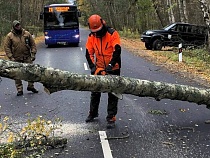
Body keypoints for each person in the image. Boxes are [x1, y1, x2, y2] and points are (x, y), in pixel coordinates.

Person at [85, 14, 121, 128]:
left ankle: (111, 116)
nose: (97, 33)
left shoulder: (112, 33)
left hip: (113, 67)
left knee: (113, 93)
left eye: (98, 30)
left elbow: (117, 50)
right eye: (94, 31)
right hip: (99, 67)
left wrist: (111, 64)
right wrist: (92, 67)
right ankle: (93, 113)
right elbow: (88, 52)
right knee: (95, 91)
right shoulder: (92, 36)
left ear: (103, 25)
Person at [4, 20, 38, 96]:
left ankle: (31, 86)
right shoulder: (10, 36)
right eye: (16, 25)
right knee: (17, 75)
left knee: (31, 72)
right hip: (16, 58)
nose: (18, 26)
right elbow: (7, 47)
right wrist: (11, 57)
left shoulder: (26, 34)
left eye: (19, 25)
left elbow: (33, 44)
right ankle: (19, 90)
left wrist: (33, 53)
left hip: (27, 56)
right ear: (14, 27)